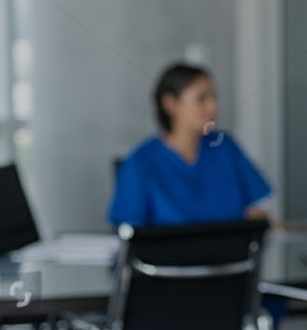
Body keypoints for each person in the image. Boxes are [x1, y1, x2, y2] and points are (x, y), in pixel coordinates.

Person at [108, 63, 272, 227]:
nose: (213, 106)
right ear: (171, 103)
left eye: (213, 97)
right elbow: (127, 232)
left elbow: (256, 212)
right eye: (201, 99)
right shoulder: (140, 163)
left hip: (231, 252)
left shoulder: (225, 147)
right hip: (168, 253)